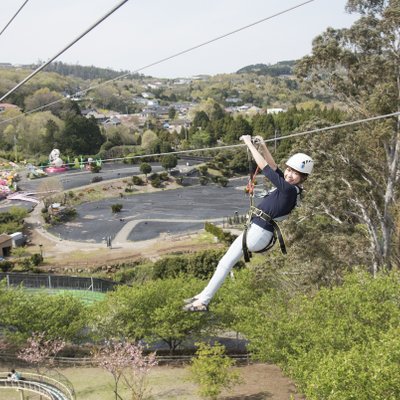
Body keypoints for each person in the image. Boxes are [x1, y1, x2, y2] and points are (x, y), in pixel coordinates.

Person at [183, 135, 314, 312]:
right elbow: (275, 167)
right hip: (258, 230)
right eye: (289, 170)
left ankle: (204, 300)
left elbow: (266, 168)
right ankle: (203, 299)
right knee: (224, 262)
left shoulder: (289, 190)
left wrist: (248, 144)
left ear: (303, 177)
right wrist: (264, 146)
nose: (290, 175)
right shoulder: (289, 186)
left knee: (226, 262)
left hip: (260, 232)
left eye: (295, 173)